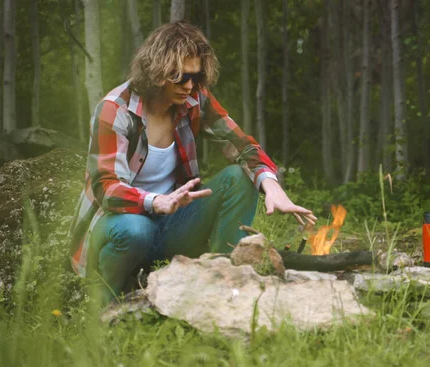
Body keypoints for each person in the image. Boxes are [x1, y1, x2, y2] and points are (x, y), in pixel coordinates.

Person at [68, 21, 316, 300]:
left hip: (171, 225)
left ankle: (221, 285)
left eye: (196, 78)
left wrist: (271, 185)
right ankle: (102, 301)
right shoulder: (116, 109)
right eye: (181, 77)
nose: (190, 86)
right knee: (137, 229)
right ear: (157, 71)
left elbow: (241, 144)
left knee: (239, 178)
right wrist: (155, 201)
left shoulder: (194, 99)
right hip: (121, 225)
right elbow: (107, 189)